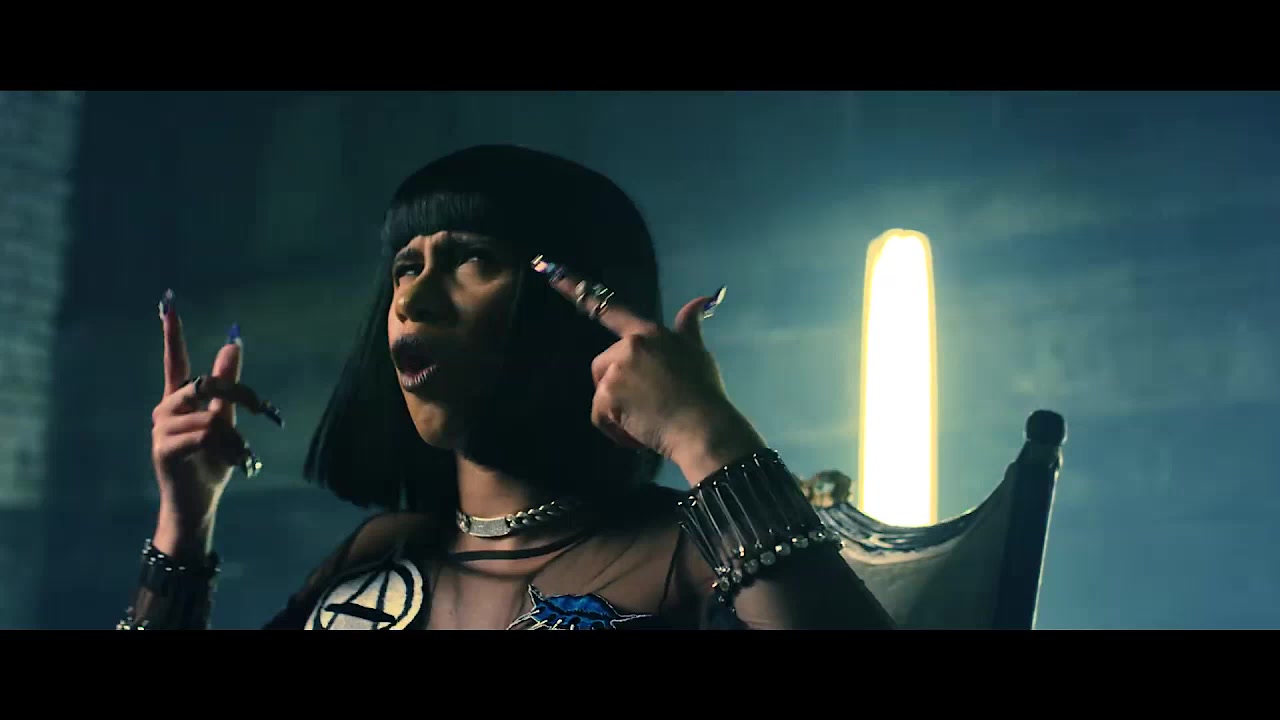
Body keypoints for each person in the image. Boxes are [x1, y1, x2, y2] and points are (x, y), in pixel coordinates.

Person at [121, 144, 895, 630]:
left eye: (473, 259)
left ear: (575, 302)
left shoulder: (691, 554)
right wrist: (184, 522)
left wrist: (706, 434)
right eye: (406, 266)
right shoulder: (376, 555)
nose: (414, 300)